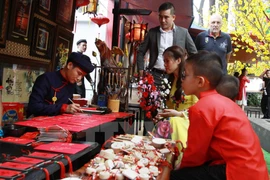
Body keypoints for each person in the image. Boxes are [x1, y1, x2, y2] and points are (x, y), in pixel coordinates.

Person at [170, 51, 268, 180]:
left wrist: (176, 170)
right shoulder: (224, 101)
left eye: (185, 75)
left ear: (200, 81)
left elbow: (195, 156)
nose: (181, 80)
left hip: (237, 171)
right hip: (254, 170)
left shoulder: (202, 107)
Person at [136, 2, 197, 86]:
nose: (162, 20)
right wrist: (141, 69)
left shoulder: (183, 33)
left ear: (173, 17)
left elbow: (194, 54)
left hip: (175, 76)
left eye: (166, 17)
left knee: (174, 99)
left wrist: (186, 70)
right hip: (155, 75)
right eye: (160, 17)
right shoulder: (152, 33)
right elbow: (141, 51)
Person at [157, 45, 198, 169]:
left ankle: (176, 161)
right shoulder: (171, 80)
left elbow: (198, 105)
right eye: (164, 61)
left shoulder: (190, 79)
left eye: (167, 61)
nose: (165, 64)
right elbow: (170, 106)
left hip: (189, 118)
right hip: (175, 118)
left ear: (178, 60)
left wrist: (179, 114)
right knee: (163, 123)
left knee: (172, 122)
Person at [27, 52, 95, 117]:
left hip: (58, 124)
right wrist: (63, 108)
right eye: (79, 73)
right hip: (39, 124)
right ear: (69, 65)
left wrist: (72, 107)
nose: (79, 78)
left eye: (82, 76)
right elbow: (34, 107)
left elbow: (67, 104)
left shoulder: (71, 83)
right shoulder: (45, 79)